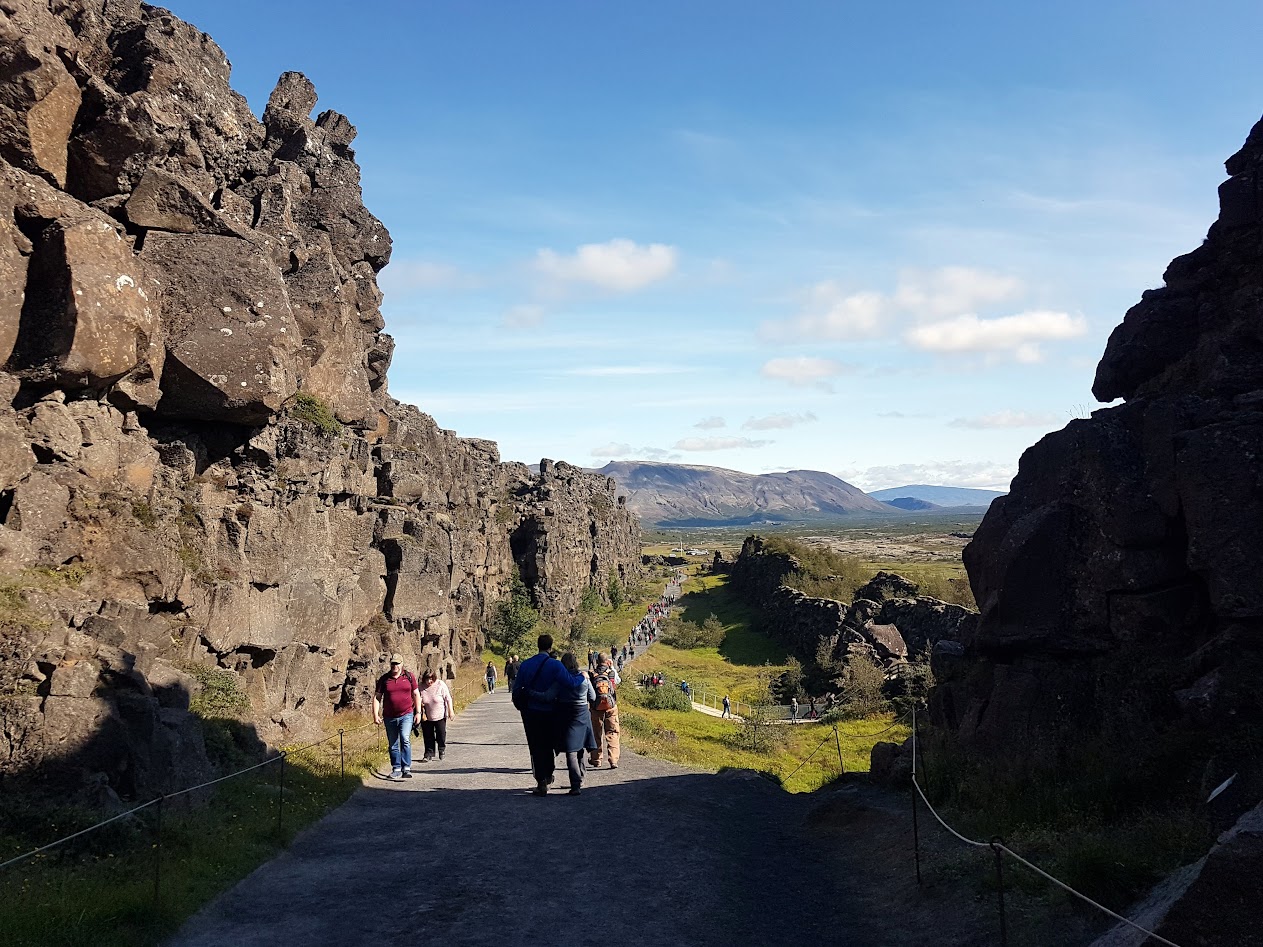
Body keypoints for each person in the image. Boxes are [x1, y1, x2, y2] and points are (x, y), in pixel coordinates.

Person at [530, 652, 597, 794]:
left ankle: (575, 785)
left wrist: (531, 693)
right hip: (583, 715)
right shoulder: (584, 678)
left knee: (571, 751)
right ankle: (580, 779)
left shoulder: (560, 680)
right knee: (579, 749)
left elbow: (547, 696)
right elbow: (593, 696)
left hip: (566, 716)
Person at [512, 633, 569, 795]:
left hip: (531, 712)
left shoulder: (526, 665)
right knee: (549, 744)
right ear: (550, 646)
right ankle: (549, 774)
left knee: (536, 746)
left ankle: (541, 781)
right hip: (551, 712)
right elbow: (568, 684)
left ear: (538, 645)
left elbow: (517, 690)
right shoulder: (556, 665)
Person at [373, 653, 421, 780]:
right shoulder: (384, 679)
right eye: (393, 663)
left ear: (402, 664)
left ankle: (406, 768)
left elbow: (416, 694)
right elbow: (377, 697)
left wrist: (418, 712)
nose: (395, 666)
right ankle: (396, 768)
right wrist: (375, 714)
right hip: (389, 716)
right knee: (393, 743)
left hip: (406, 714)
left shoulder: (409, 676)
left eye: (397, 663)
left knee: (405, 738)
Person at [588, 655, 621, 770]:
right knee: (612, 732)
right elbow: (618, 681)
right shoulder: (611, 673)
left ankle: (596, 759)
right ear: (607, 661)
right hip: (611, 707)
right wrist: (612, 667)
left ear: (596, 662)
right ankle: (613, 760)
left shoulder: (592, 674)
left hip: (596, 708)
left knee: (596, 733)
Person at [418, 669, 454, 761]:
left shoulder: (440, 684)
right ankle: (428, 753)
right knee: (428, 735)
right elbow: (417, 698)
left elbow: (448, 698)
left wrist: (451, 711)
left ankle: (441, 749)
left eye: (431, 679)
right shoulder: (421, 687)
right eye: (427, 679)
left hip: (440, 715)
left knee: (441, 734)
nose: (429, 681)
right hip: (426, 716)